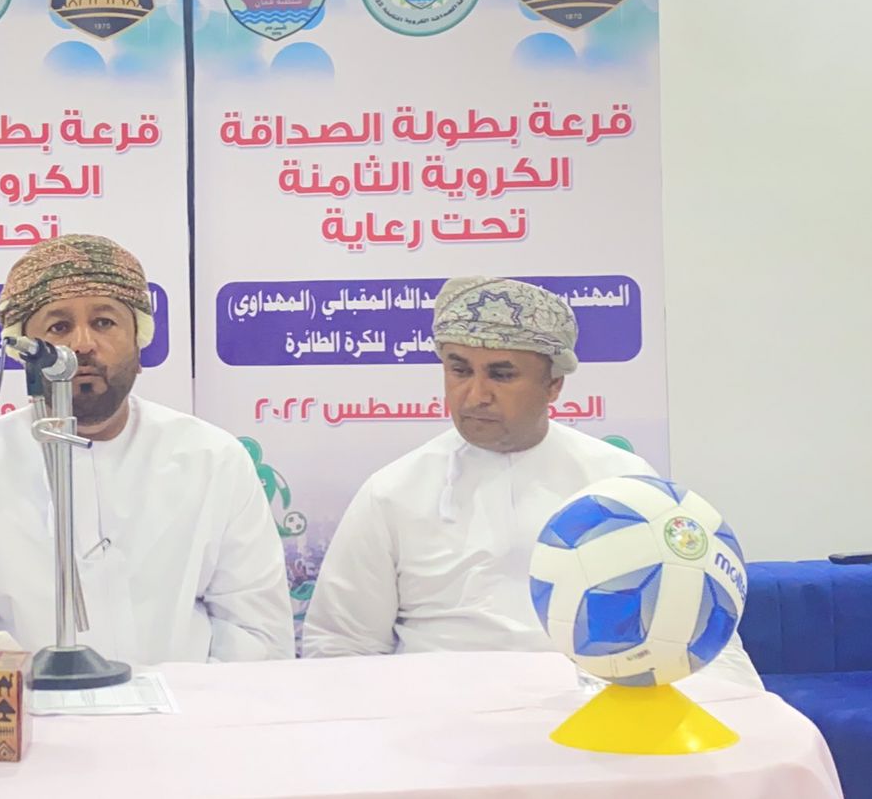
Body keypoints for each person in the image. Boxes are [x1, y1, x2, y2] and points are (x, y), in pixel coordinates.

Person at [303, 276, 761, 687]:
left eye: (501, 374)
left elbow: (697, 632)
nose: (475, 395)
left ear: (554, 385)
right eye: (459, 370)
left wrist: (743, 718)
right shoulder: (393, 491)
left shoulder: (623, 483)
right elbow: (341, 646)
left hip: (592, 718)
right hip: (434, 721)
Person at [0, 234, 294, 663]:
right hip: (27, 704)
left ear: (139, 342)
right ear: (24, 351)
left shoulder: (213, 460)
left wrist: (187, 704)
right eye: (59, 327)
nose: (82, 344)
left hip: (184, 704)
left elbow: (257, 636)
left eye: (104, 322)